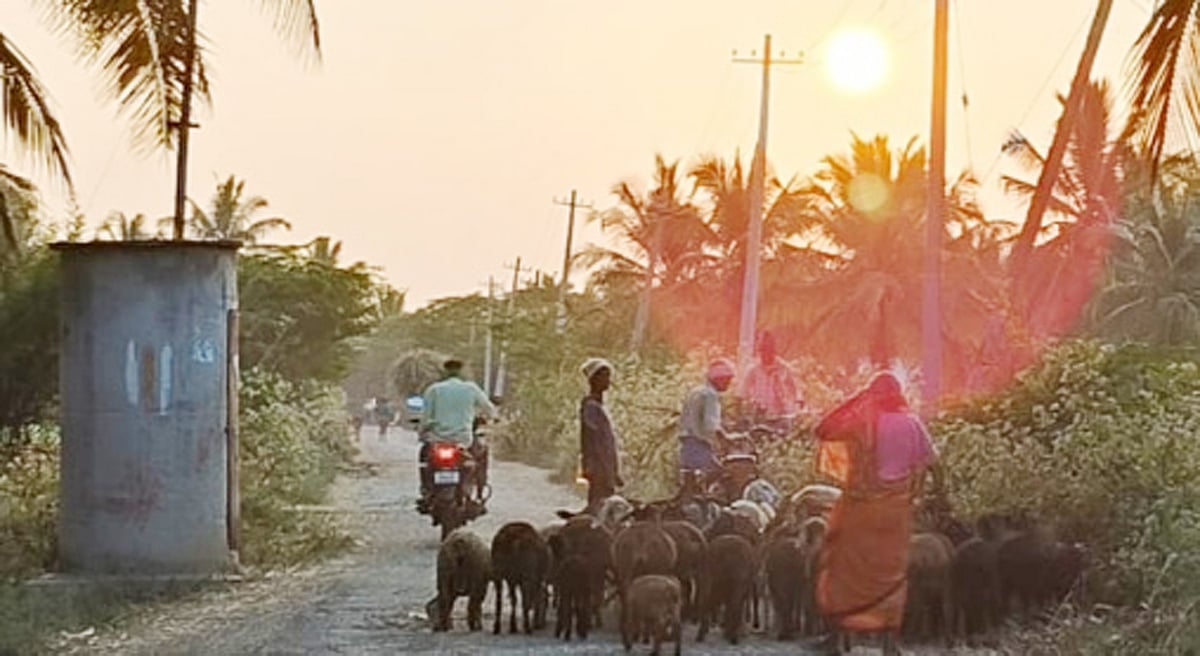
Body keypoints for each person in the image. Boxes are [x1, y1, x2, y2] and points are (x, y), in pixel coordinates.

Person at [812, 372, 937, 656]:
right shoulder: (913, 422)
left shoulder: (861, 424)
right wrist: (930, 497)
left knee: (842, 569)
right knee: (891, 574)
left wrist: (857, 398)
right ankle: (890, 645)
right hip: (895, 511)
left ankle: (837, 640)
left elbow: (823, 429)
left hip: (860, 507)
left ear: (873, 397)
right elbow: (932, 464)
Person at [416, 358, 496, 511]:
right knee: (481, 456)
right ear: (461, 372)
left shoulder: (434, 390)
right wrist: (490, 418)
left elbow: (425, 418)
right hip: (464, 440)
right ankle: (479, 492)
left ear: (445, 372)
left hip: (437, 440)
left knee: (424, 460)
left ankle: (426, 490)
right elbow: (490, 410)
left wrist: (422, 434)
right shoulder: (471, 389)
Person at [678, 358, 736, 491]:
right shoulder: (711, 396)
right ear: (718, 379)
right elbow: (711, 425)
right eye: (726, 380)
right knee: (719, 474)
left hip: (686, 446)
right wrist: (727, 439)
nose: (728, 384)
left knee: (690, 483)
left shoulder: (696, 392)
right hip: (698, 445)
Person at [579, 358, 623, 511]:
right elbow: (595, 442)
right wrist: (607, 471)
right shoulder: (591, 406)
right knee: (600, 508)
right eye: (604, 376)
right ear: (593, 379)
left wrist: (614, 472)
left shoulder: (598, 406)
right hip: (599, 468)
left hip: (604, 468)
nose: (608, 380)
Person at [740, 331, 799, 427]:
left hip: (780, 414)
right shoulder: (754, 370)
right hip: (759, 415)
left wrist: (795, 403)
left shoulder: (783, 368)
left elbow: (793, 388)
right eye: (763, 350)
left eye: (768, 350)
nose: (765, 354)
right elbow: (744, 391)